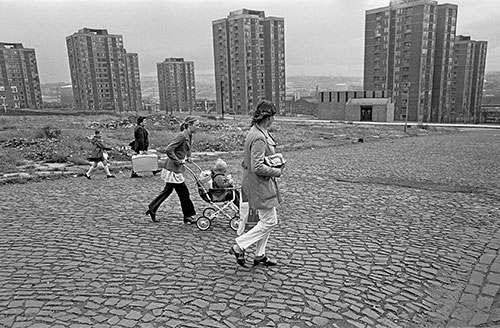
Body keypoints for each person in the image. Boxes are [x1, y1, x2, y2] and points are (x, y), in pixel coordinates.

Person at [228, 100, 283, 267]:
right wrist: (277, 171)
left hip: (258, 183)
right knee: (270, 222)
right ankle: (239, 246)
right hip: (259, 185)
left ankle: (260, 255)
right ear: (269, 117)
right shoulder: (259, 137)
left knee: (265, 221)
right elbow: (257, 166)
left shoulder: (257, 132)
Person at [145, 116, 199, 223]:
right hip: (172, 169)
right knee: (184, 193)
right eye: (196, 125)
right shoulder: (181, 136)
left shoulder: (189, 135)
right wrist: (177, 160)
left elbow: (188, 147)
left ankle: (152, 208)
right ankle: (187, 216)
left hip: (176, 168)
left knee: (167, 191)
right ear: (189, 125)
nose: (198, 127)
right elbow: (169, 149)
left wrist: (188, 156)